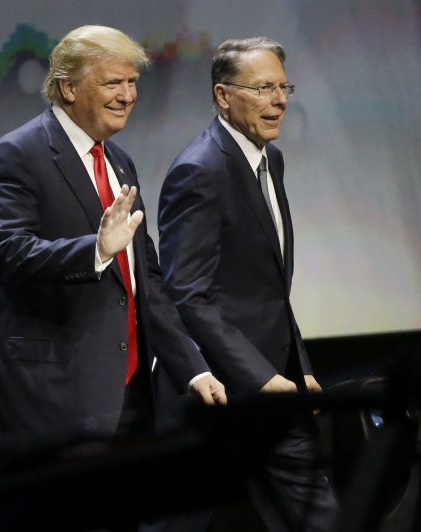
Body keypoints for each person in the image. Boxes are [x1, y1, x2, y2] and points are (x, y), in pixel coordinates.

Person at [0, 25, 226, 454]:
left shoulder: (118, 161)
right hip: (48, 402)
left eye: (132, 82)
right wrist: (97, 250)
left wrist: (192, 368)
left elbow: (144, 282)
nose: (127, 95)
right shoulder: (16, 155)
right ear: (68, 88)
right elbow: (8, 253)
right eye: (113, 83)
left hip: (129, 398)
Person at [157, 37, 338, 531]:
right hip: (217, 395)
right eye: (262, 88)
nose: (279, 100)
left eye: (284, 87)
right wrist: (261, 377)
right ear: (223, 95)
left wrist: (297, 369)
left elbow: (268, 289)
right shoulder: (199, 170)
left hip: (276, 389)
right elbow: (187, 292)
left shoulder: (268, 159)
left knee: (318, 518)